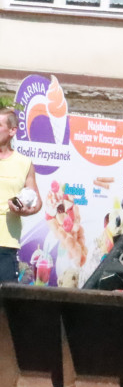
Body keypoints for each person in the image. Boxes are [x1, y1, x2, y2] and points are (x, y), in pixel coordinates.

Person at [0, 108, 42, 283]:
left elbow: (36, 201)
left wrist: (25, 210)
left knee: (5, 303)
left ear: (12, 131)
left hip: (6, 244)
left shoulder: (23, 163)